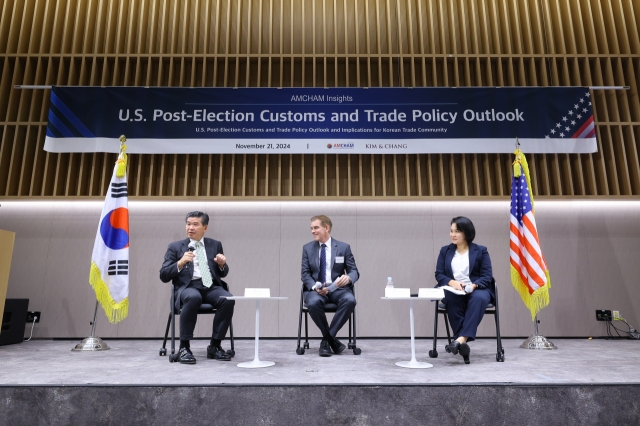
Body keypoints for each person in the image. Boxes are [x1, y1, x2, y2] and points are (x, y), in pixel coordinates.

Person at [159, 211, 235, 364]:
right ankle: (184, 348)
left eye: (195, 224)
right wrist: (180, 263)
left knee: (228, 299)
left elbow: (223, 273)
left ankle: (215, 346)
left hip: (210, 285)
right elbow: (164, 275)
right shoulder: (175, 247)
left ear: (205, 227)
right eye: (188, 224)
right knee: (193, 297)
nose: (190, 228)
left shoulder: (215, 244)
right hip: (188, 286)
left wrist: (222, 264)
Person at [435, 216, 494, 364]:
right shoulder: (445, 251)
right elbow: (439, 274)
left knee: (478, 298)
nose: (452, 234)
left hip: (476, 288)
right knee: (451, 297)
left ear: (466, 233)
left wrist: (474, 285)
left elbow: (487, 276)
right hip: (454, 289)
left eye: (457, 231)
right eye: (451, 231)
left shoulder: (481, 251)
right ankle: (462, 343)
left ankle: (459, 339)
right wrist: (451, 282)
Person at [301, 215, 359, 357]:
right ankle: (332, 340)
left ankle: (326, 340)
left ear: (326, 228)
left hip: (338, 289)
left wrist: (348, 278)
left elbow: (354, 271)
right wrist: (315, 287)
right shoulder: (307, 249)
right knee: (313, 302)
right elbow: (305, 274)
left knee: (350, 300)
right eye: (311, 228)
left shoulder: (343, 248)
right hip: (317, 290)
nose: (312, 231)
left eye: (316, 228)